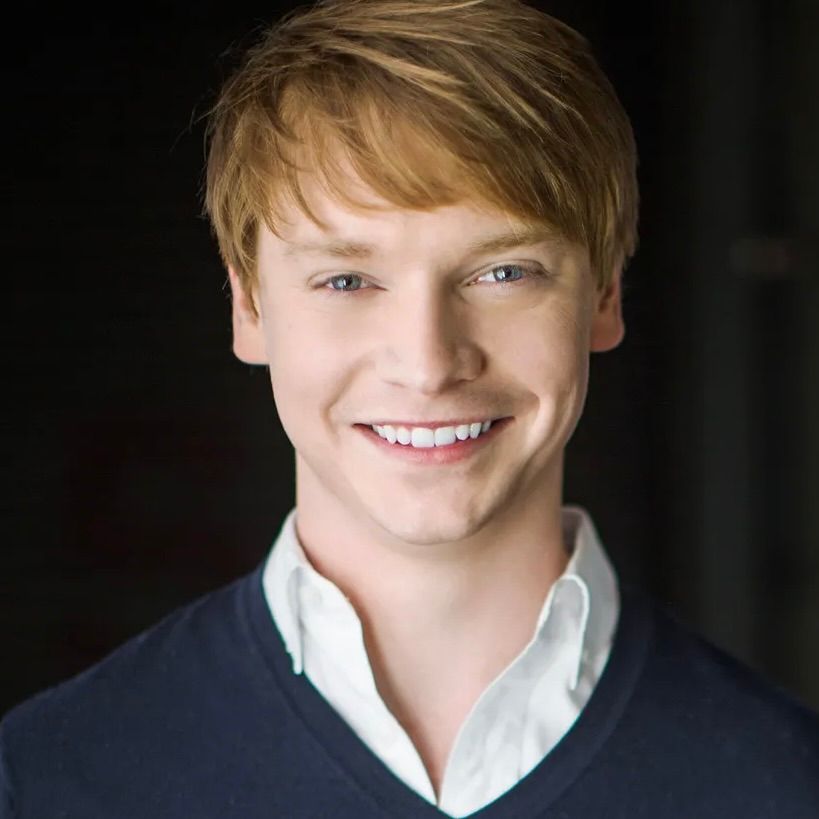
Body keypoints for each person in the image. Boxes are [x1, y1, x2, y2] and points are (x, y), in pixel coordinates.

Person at [2, 0, 818, 816]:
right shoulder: (46, 781)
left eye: (502, 272)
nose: (428, 363)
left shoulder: (784, 783)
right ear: (248, 307)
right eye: (347, 280)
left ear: (603, 291)